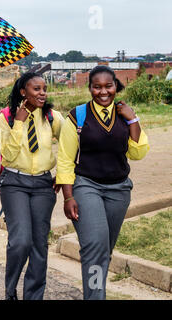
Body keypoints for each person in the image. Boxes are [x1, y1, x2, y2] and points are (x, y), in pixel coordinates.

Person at [56, 65, 150, 300]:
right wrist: (68, 197)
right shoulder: (77, 116)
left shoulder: (125, 113)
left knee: (103, 250)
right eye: (96, 87)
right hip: (87, 187)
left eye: (108, 86)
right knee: (95, 247)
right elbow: (66, 160)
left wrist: (133, 120)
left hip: (119, 190)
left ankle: (96, 292)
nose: (103, 92)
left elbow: (137, 153)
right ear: (89, 88)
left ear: (116, 86)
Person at [0, 73, 64, 300]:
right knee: (20, 240)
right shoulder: (6, 117)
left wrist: (62, 174)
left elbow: (69, 144)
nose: (42, 93)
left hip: (44, 185)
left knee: (39, 244)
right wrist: (19, 123)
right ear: (23, 92)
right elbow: (7, 156)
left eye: (44, 88)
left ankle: (33, 296)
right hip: (14, 182)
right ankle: (10, 290)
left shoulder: (52, 117)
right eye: (36, 89)